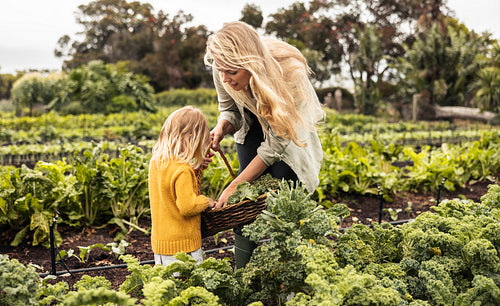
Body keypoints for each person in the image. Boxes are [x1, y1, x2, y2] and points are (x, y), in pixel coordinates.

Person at [204, 21, 324, 268]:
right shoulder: (222, 68)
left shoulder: (290, 74)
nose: (224, 79)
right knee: (244, 202)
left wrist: (233, 186)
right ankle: (243, 274)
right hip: (252, 123)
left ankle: (291, 273)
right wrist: (221, 128)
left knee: (286, 195)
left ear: (250, 65)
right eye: (221, 70)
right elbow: (229, 110)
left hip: (286, 131)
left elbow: (276, 145)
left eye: (232, 72)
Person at [148, 106, 216, 268]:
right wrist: (206, 202)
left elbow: (168, 186)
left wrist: (193, 169)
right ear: (191, 139)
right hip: (183, 247)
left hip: (162, 244)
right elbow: (188, 206)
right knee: (188, 288)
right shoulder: (183, 171)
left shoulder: (157, 162)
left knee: (169, 287)